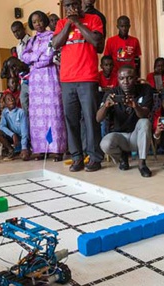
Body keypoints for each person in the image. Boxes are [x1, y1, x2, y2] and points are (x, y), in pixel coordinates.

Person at [52, 0, 104, 172]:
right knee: (71, 120)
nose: (70, 8)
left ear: (81, 4)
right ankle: (77, 157)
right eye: (66, 6)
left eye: (73, 4)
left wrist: (77, 23)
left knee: (90, 119)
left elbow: (96, 43)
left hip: (88, 78)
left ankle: (95, 157)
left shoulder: (94, 19)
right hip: (67, 79)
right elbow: (55, 44)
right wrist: (68, 23)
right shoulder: (60, 23)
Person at [22, 11, 67, 162]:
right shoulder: (32, 40)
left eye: (40, 21)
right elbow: (24, 56)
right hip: (36, 81)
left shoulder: (52, 36)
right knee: (37, 115)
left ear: (45, 21)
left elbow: (49, 56)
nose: (38, 24)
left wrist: (35, 61)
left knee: (53, 112)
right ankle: (40, 149)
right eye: (35, 22)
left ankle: (57, 149)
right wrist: (35, 59)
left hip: (50, 77)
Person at [97, 65, 153, 177]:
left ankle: (142, 163)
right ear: (117, 79)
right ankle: (122, 158)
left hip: (137, 137)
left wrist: (135, 106)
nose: (125, 82)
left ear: (136, 78)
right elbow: (98, 119)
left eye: (129, 78)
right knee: (105, 144)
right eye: (121, 78)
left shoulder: (145, 89)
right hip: (120, 137)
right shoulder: (112, 93)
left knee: (145, 122)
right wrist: (106, 106)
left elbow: (144, 114)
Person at [0, 92, 30, 161]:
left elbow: (24, 132)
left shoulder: (21, 112)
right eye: (8, 100)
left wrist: (24, 147)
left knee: (24, 157)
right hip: (12, 138)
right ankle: (11, 150)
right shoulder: (5, 112)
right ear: (5, 104)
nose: (11, 100)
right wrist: (12, 134)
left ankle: (23, 149)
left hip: (21, 138)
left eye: (12, 99)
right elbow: (1, 126)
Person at [10, 21, 31, 118]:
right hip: (23, 79)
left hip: (32, 77)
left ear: (23, 29)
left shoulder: (32, 41)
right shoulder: (18, 46)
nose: (16, 34)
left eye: (18, 31)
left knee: (34, 104)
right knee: (24, 103)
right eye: (14, 32)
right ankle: (28, 128)